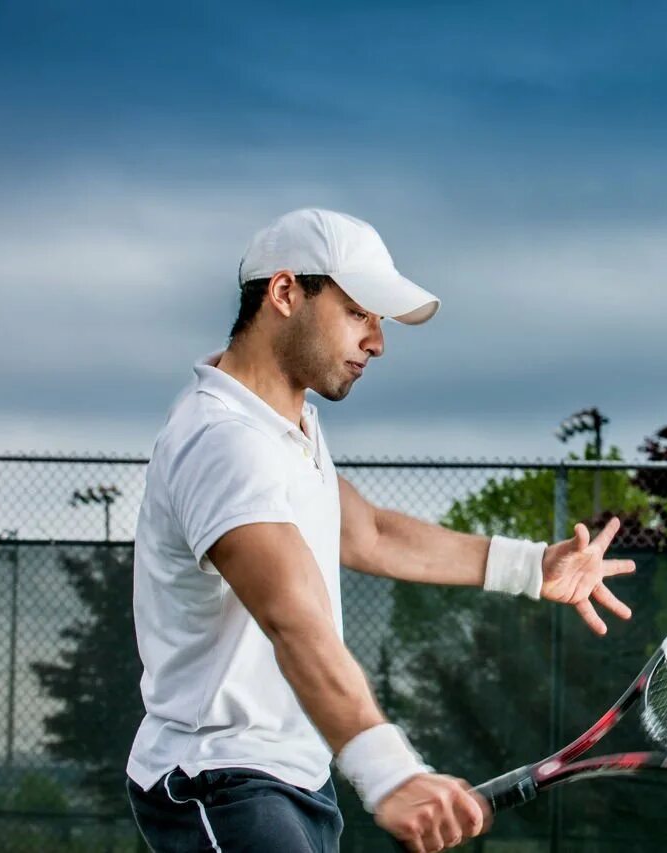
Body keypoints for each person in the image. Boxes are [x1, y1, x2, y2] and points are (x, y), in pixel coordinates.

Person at [125, 208, 635, 853]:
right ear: (285, 293)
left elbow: (368, 533)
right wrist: (390, 773)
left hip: (292, 779)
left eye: (380, 321)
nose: (377, 341)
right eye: (359, 312)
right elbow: (293, 618)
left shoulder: (284, 427)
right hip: (217, 778)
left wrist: (531, 566)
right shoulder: (224, 442)